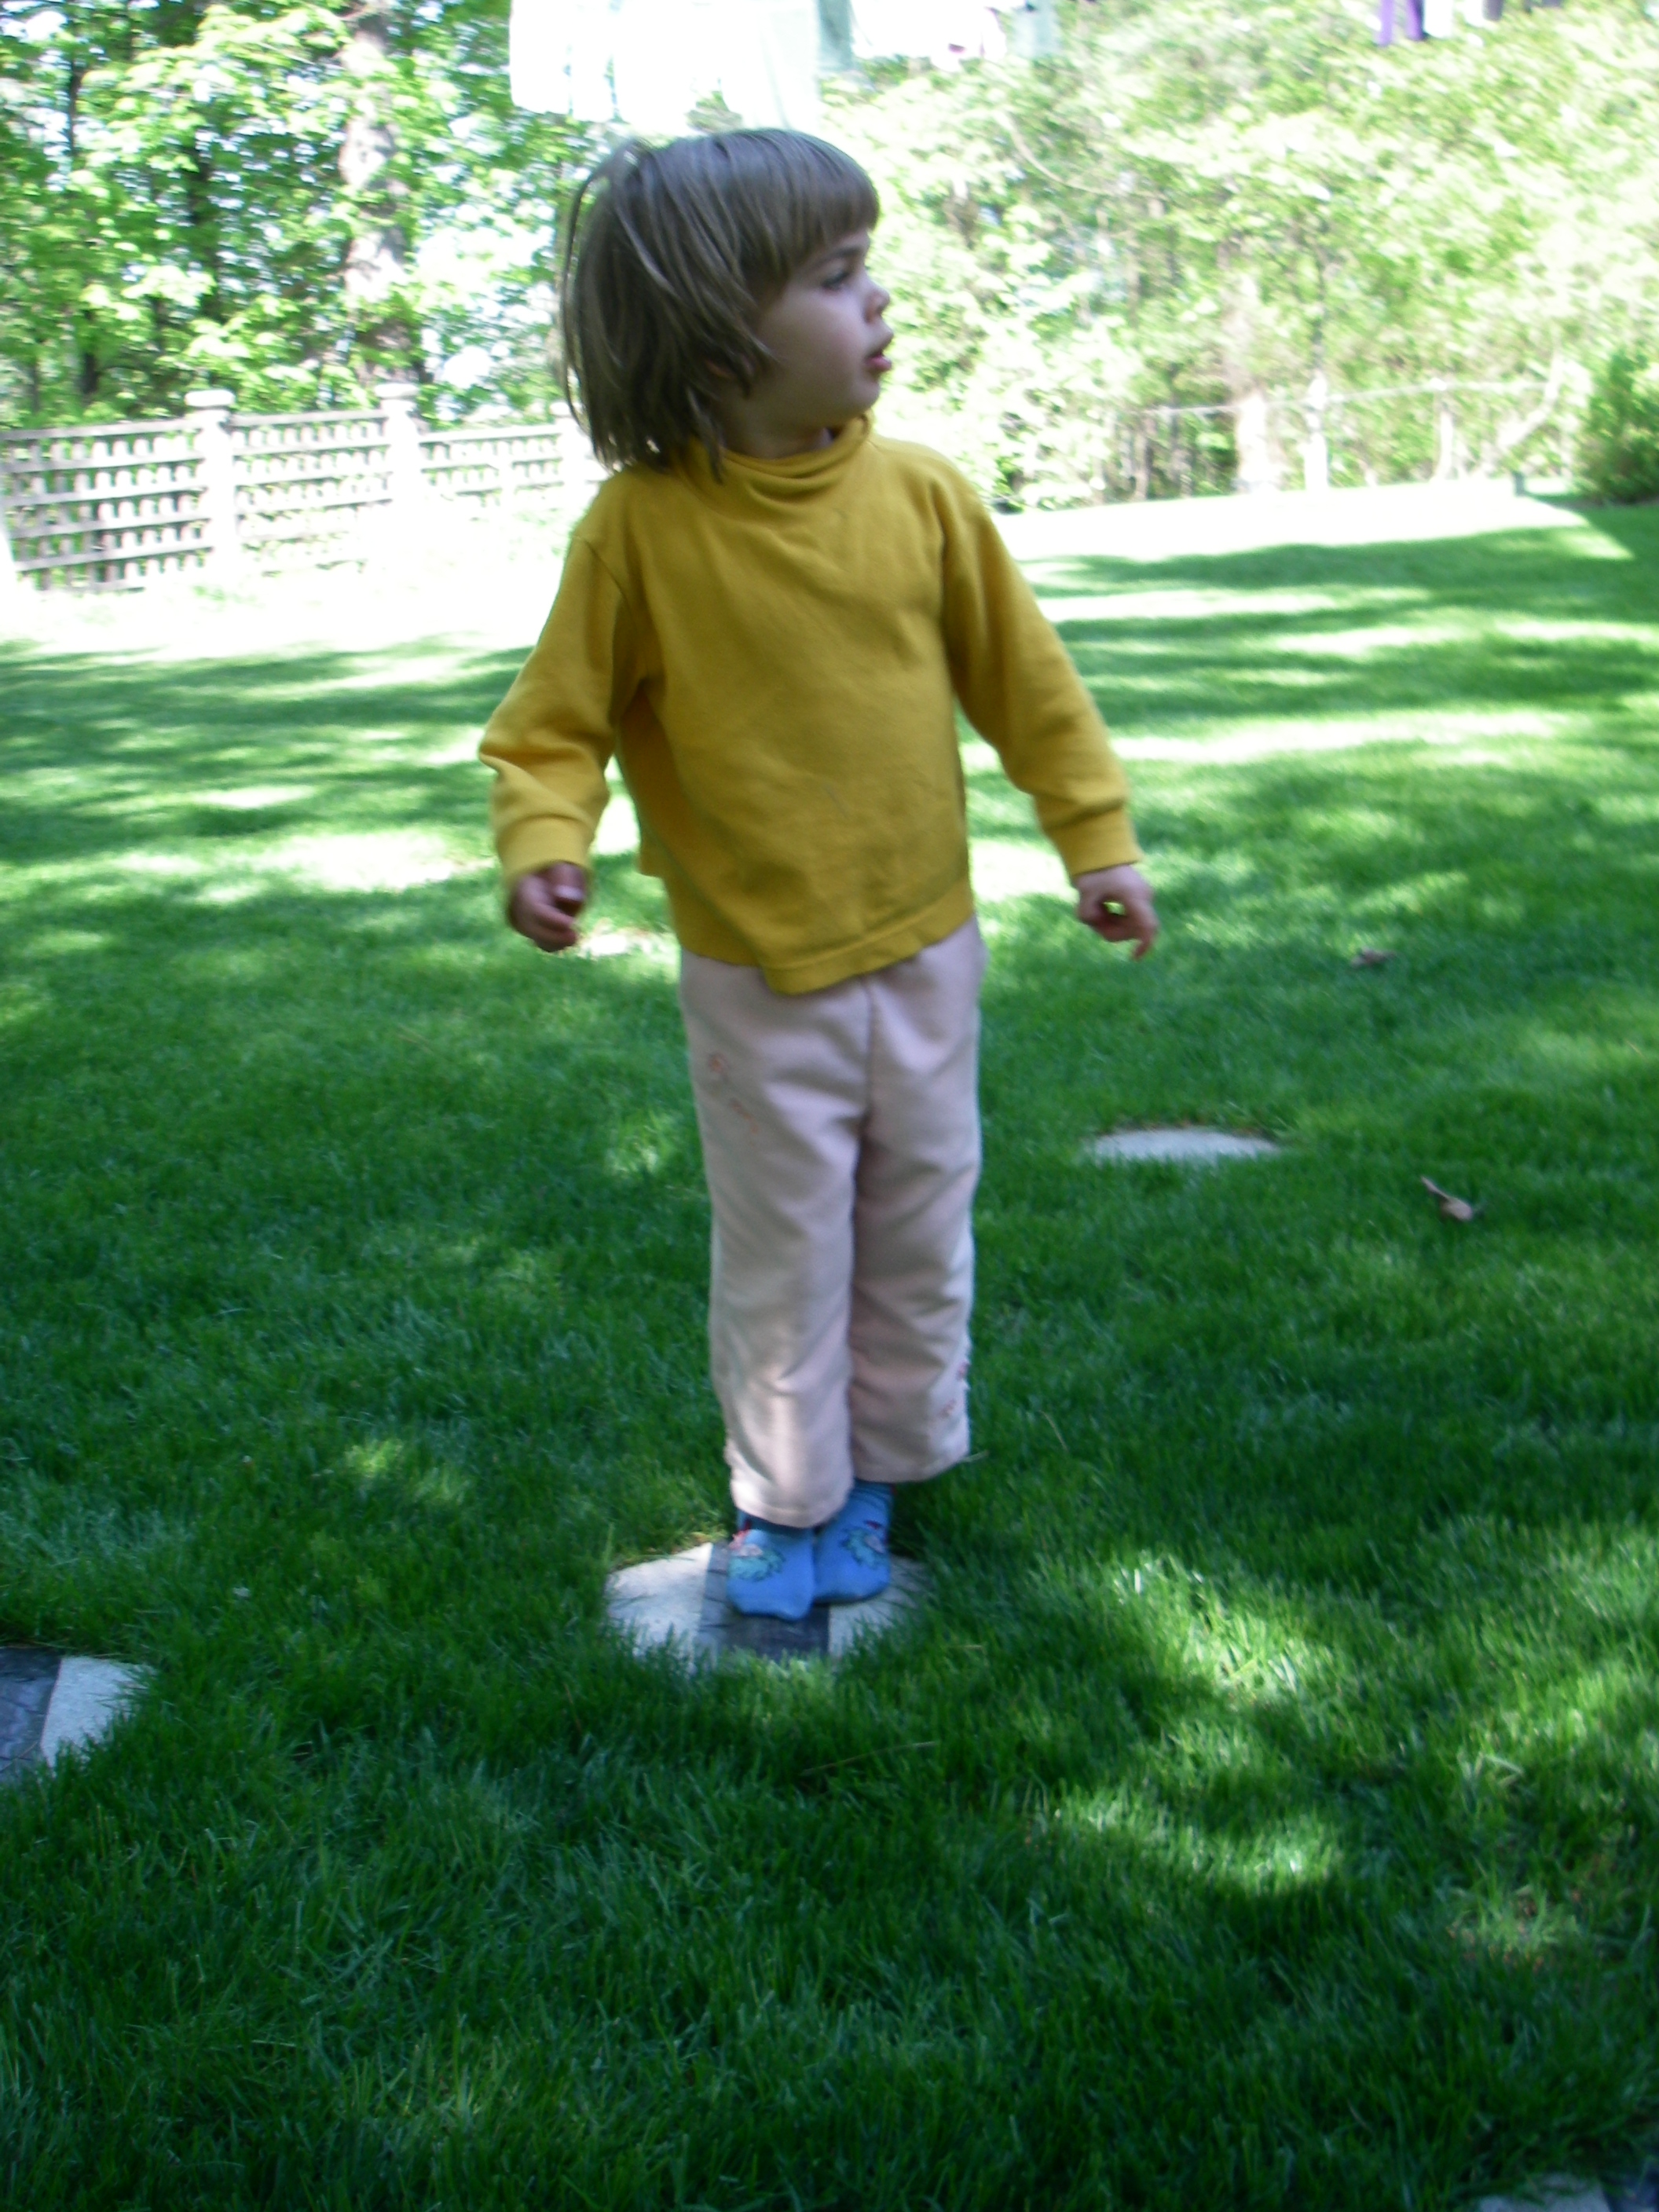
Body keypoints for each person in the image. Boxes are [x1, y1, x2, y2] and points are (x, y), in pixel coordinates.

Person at [480, 129, 1159, 1622]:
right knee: (786, 1249)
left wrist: (1095, 839)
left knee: (918, 1227)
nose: (878, 301)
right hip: (756, 978)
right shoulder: (641, 532)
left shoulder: (925, 499)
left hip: (927, 951)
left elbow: (1033, 693)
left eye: (867, 269)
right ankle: (782, 1497)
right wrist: (545, 845)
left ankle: (882, 1476)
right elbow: (551, 730)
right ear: (724, 331)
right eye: (839, 276)